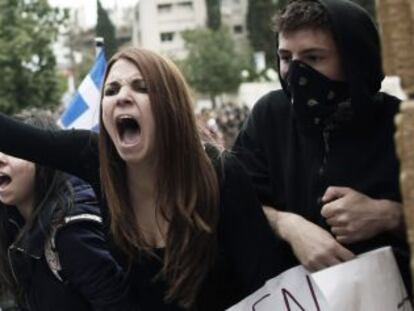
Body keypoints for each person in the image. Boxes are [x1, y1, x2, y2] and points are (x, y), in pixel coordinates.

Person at [0, 48, 282, 310]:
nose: (122, 96)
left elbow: (266, 285)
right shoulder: (96, 160)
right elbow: (15, 136)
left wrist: (286, 224)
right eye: (111, 90)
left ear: (171, 107)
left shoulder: (220, 175)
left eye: (141, 87)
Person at [233, 0, 411, 289]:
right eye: (286, 58)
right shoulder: (269, 116)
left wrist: (390, 216)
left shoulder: (402, 124)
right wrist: (288, 225)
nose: (296, 73)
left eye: (313, 58)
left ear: (355, 60)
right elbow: (233, 201)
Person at [0, 110, 134, 311]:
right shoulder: (11, 227)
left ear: (46, 158)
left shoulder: (72, 233)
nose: (0, 159)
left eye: (13, 151)